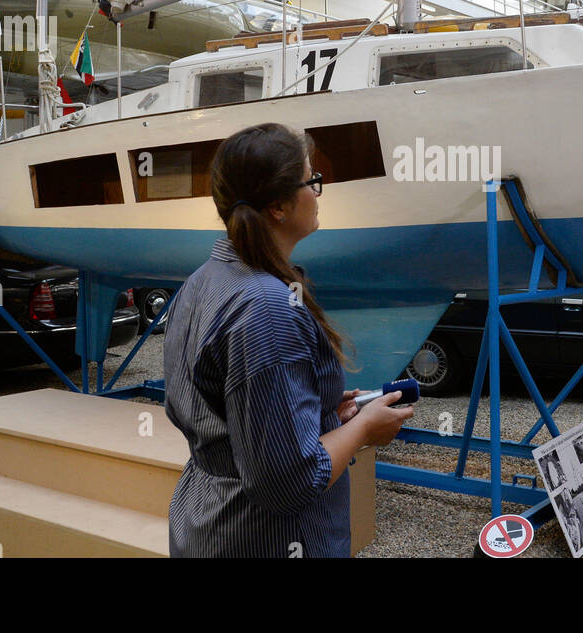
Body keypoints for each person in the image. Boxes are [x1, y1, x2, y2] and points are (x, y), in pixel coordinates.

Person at [163, 122, 413, 557]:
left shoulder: (203, 282)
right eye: (311, 181)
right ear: (278, 206)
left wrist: (318, 415)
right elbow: (289, 483)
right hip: (268, 539)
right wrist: (363, 428)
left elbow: (232, 414)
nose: (317, 192)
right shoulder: (266, 305)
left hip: (206, 522)